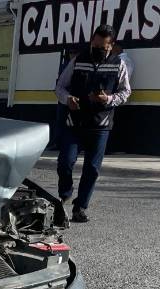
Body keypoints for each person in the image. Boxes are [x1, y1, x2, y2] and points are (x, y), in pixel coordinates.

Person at [54, 25, 131, 223]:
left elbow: (125, 92)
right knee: (65, 162)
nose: (96, 49)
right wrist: (67, 98)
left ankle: (80, 207)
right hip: (75, 122)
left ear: (111, 46)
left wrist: (108, 99)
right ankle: (65, 194)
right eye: (94, 45)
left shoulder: (118, 65)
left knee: (92, 168)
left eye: (102, 47)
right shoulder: (78, 60)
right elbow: (60, 86)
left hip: (100, 124)